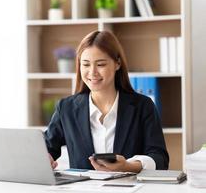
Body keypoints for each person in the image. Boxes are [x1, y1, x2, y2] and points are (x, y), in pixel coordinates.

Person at [45, 30, 169, 173]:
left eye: (101, 64)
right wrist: (45, 158)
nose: (92, 72)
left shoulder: (143, 106)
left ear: (117, 63)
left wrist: (128, 167)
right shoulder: (66, 108)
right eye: (85, 64)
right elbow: (48, 147)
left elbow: (160, 159)